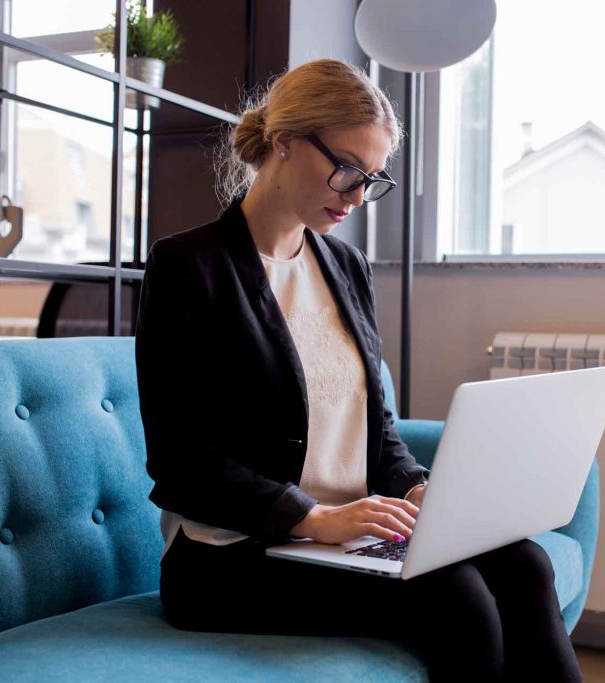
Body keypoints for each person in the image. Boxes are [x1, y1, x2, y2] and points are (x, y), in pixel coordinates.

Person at [134, 57, 582, 682]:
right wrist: (312, 517)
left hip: (347, 540)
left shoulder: (346, 267)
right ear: (285, 142)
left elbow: (376, 430)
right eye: (345, 169)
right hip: (236, 555)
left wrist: (423, 489)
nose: (357, 197)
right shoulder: (190, 266)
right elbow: (181, 462)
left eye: (371, 178)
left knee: (526, 564)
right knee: (458, 597)